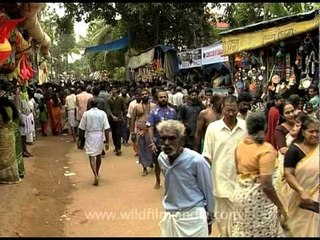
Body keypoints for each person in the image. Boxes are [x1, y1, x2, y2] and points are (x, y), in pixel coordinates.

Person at [231, 112, 288, 237]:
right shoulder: (265, 150)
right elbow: (266, 184)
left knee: (244, 231)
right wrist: (280, 206)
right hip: (259, 202)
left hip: (240, 197)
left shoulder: (240, 145)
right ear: (265, 127)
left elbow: (238, 171)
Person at [157, 120, 214, 237]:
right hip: (171, 215)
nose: (166, 143)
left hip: (194, 217)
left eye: (172, 138)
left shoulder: (197, 161)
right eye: (163, 138)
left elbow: (208, 191)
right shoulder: (161, 158)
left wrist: (210, 219)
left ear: (182, 139)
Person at [202, 95, 246, 237]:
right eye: (228, 110)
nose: (231, 113)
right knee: (222, 221)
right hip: (219, 182)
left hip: (240, 182)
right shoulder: (213, 129)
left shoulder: (245, 127)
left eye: (233, 110)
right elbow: (207, 156)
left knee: (240, 221)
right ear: (223, 108)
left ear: (238, 109)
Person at [283, 115, 319, 237]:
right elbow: (288, 174)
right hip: (300, 198)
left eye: (317, 131)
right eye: (311, 131)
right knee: (300, 231)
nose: (314, 134)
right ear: (303, 132)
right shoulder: (294, 150)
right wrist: (301, 191)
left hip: (317, 199)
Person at [146, 90, 176, 189]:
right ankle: (158, 180)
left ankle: (170, 182)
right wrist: (152, 142)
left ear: (167, 98)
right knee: (158, 163)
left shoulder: (172, 111)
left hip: (171, 143)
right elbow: (150, 127)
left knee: (172, 162)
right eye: (161, 97)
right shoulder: (153, 112)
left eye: (164, 97)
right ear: (157, 99)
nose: (163, 99)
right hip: (158, 142)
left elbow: (176, 126)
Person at [78, 98, 110, 186]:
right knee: (99, 154)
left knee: (91, 156)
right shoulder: (102, 113)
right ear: (98, 105)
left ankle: (95, 174)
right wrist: (107, 141)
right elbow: (106, 128)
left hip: (90, 135)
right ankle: (97, 172)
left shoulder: (86, 114)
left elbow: (81, 128)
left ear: (90, 105)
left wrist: (81, 140)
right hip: (99, 135)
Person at [131, 89, 157, 176]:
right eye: (143, 94)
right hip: (140, 131)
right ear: (140, 96)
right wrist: (132, 132)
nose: (144, 96)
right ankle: (144, 167)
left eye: (146, 94)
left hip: (151, 130)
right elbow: (132, 119)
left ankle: (151, 162)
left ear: (149, 95)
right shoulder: (137, 107)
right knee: (141, 148)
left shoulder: (154, 106)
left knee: (151, 147)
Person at [0, 79, 21, 184]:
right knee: (10, 156)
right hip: (10, 134)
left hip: (2, 135)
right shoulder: (11, 107)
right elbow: (17, 119)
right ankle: (11, 177)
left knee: (2, 156)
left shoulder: (2, 110)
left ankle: (2, 177)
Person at [106, 86, 126, 156]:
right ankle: (115, 146)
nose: (114, 92)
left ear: (117, 91)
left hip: (119, 118)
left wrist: (123, 117)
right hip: (112, 119)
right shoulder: (109, 100)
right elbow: (108, 109)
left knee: (118, 133)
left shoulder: (120, 99)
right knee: (114, 133)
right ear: (111, 92)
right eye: (112, 90)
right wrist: (112, 116)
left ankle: (119, 148)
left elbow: (124, 108)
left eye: (115, 90)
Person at [76, 84, 93, 149]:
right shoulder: (90, 96)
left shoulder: (77, 96)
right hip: (89, 114)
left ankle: (81, 144)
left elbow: (77, 105)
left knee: (81, 130)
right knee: (89, 129)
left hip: (81, 114)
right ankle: (89, 143)